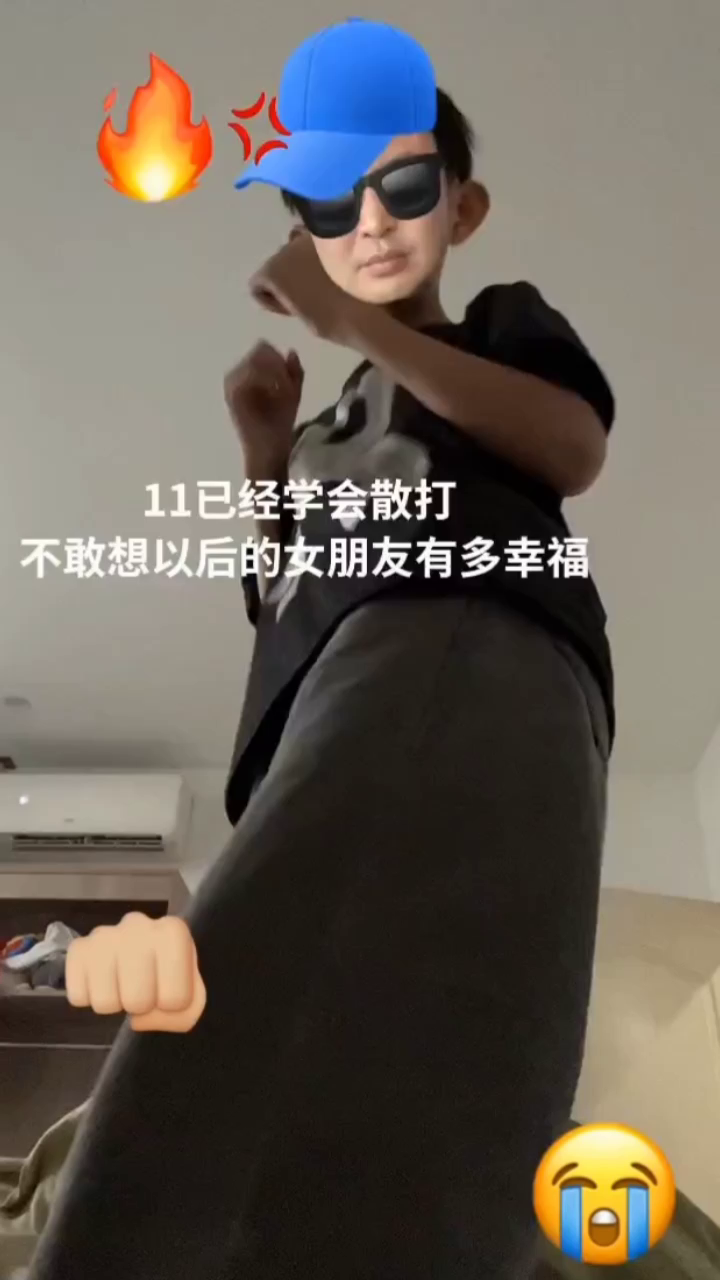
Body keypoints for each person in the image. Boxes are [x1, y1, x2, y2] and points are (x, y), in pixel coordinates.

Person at [29, 19, 615, 1280]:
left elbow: (571, 449)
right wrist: (266, 447)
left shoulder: (493, 326)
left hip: (460, 632)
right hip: (338, 685)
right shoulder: (328, 423)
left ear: (464, 208)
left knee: (275, 1000)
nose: (371, 222)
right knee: (335, 994)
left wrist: (354, 324)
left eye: (403, 187)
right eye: (330, 203)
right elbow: (280, 589)